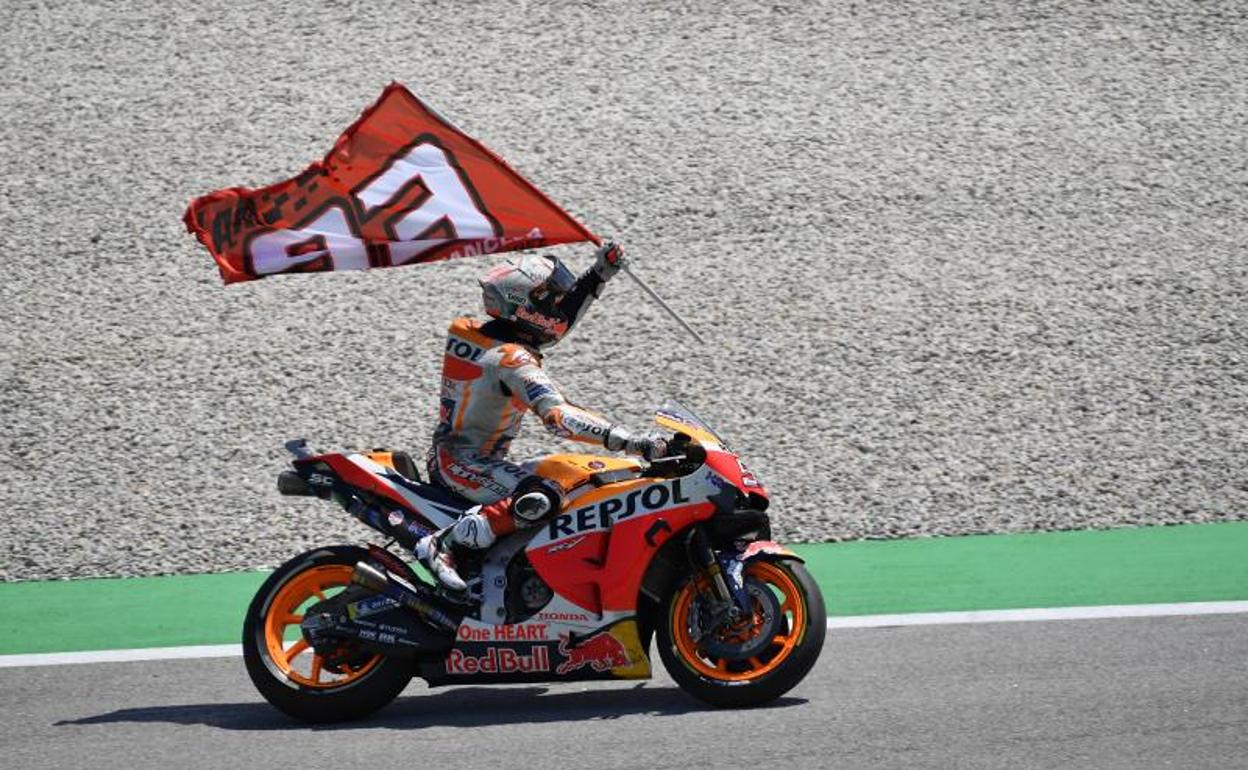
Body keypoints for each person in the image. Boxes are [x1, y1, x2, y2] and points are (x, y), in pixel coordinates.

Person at [416, 242, 666, 591]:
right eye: (552, 297)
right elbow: (559, 418)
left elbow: (552, 326)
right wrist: (631, 441)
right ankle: (444, 544)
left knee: (576, 474)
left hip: (462, 455)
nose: (559, 306)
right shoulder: (511, 361)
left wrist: (597, 276)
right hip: (463, 464)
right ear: (527, 305)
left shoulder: (474, 332)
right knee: (544, 497)